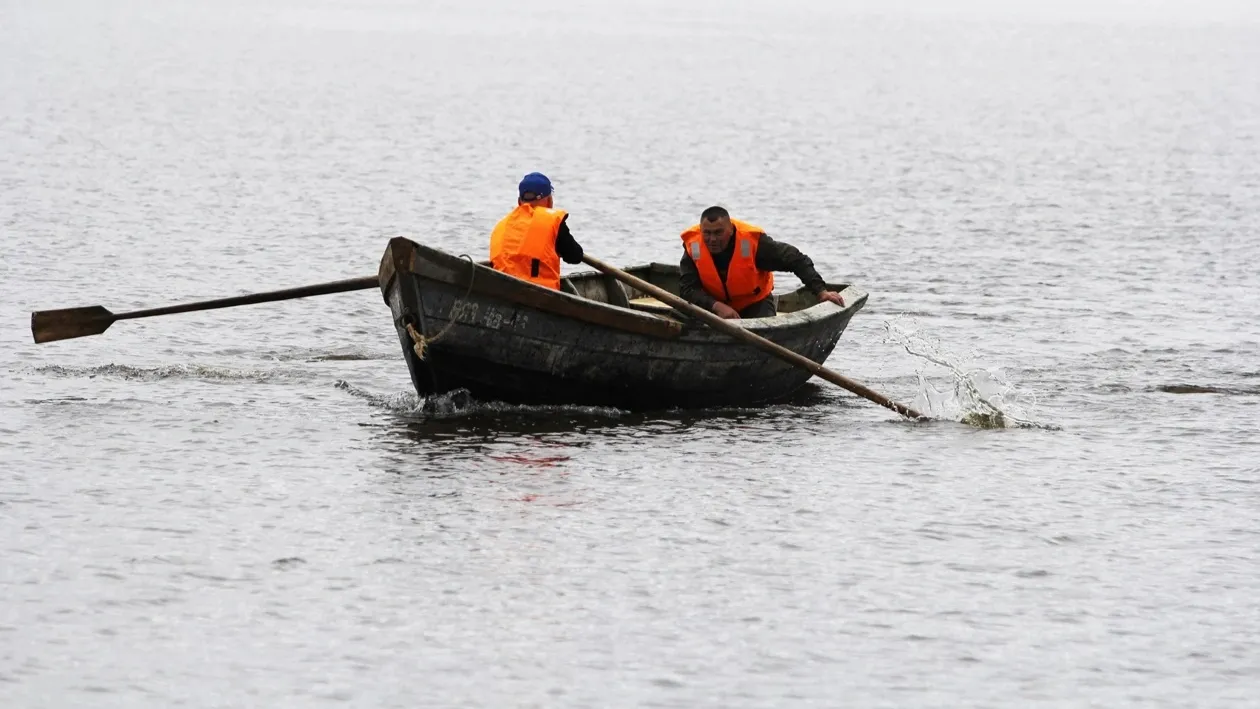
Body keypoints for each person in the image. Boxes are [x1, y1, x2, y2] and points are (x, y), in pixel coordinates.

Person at [678, 206, 845, 319]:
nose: (712, 239)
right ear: (701, 231)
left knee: (765, 328)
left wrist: (821, 292)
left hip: (754, 303)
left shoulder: (754, 244)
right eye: (707, 233)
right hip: (713, 306)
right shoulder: (694, 246)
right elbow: (688, 289)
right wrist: (716, 306)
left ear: (730, 230)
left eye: (718, 233)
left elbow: (796, 259)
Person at [489, 172, 584, 290]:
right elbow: (575, 256)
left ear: (519, 201)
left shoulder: (501, 225)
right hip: (542, 295)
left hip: (502, 289)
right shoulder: (551, 222)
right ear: (549, 201)